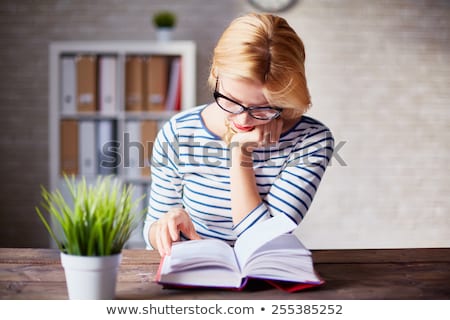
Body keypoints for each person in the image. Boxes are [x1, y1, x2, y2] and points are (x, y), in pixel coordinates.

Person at [143, 13, 334, 256]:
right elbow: (151, 229)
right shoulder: (179, 131)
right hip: (196, 272)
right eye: (231, 101)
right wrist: (165, 225)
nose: (243, 119)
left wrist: (240, 153)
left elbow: (262, 241)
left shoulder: (311, 141)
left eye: (262, 107)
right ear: (215, 73)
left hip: (265, 275)